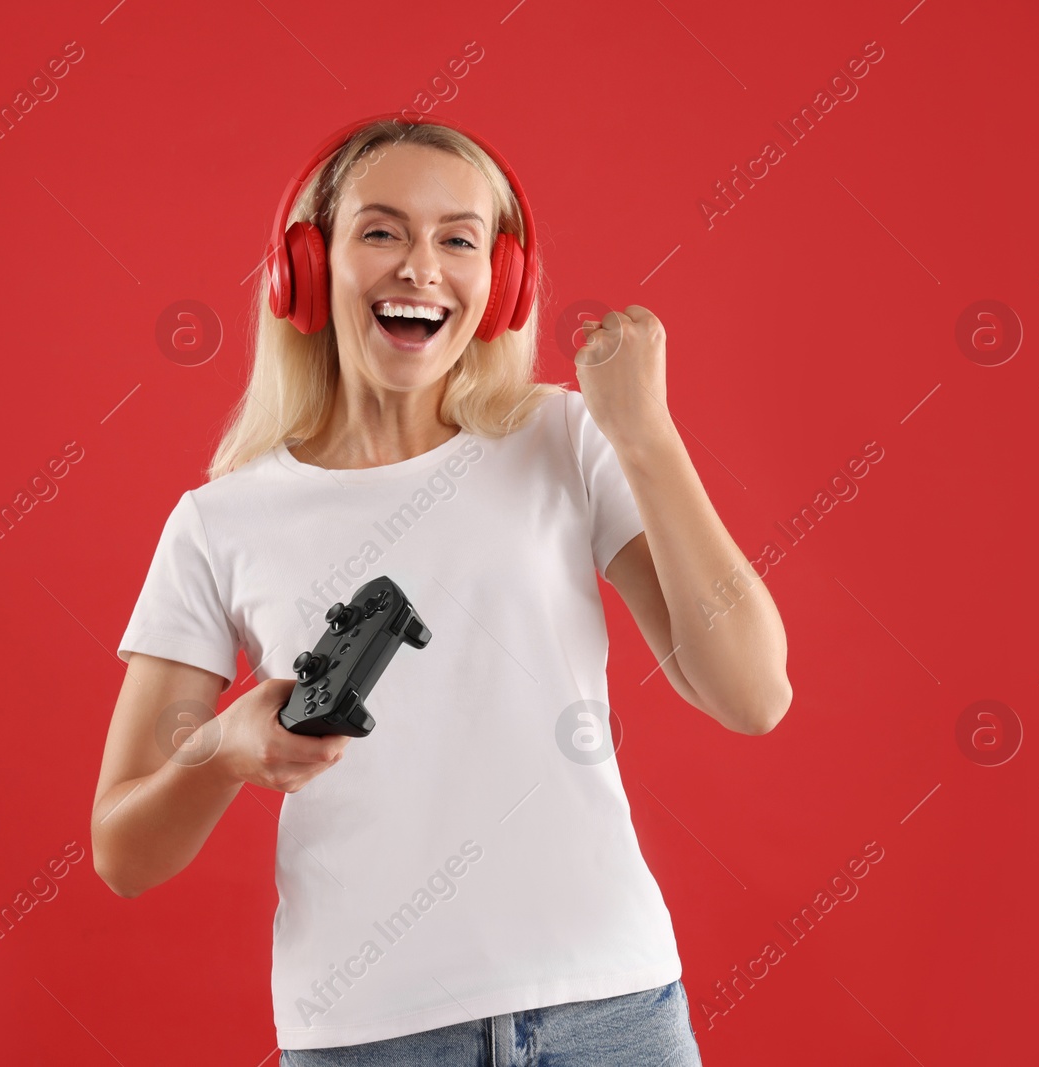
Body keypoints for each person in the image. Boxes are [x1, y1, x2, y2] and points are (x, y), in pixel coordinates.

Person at [92, 115, 791, 1066]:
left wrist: (648, 435)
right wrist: (220, 752)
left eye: (457, 240)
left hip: (613, 1012)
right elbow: (123, 852)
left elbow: (751, 693)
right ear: (304, 267)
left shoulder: (569, 441)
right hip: (368, 1038)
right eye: (381, 232)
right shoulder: (222, 522)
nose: (420, 267)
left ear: (497, 283)